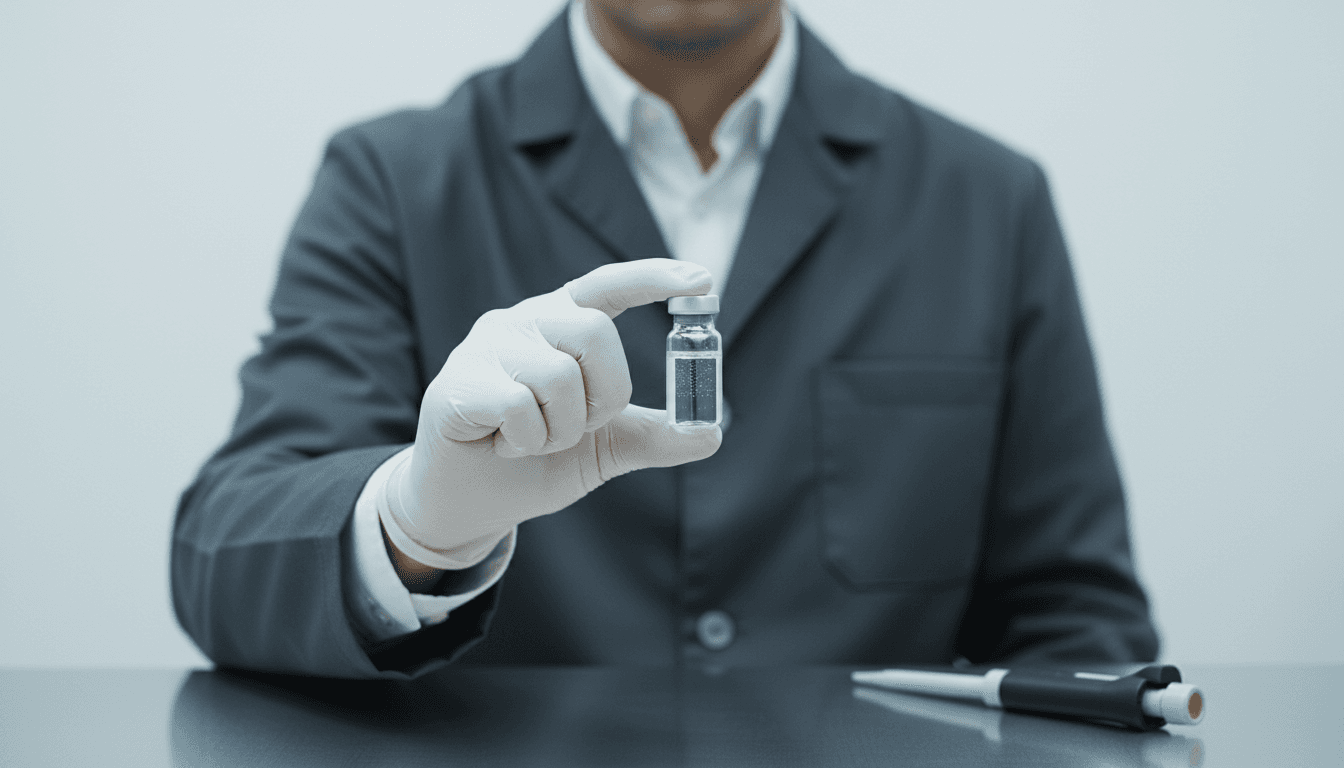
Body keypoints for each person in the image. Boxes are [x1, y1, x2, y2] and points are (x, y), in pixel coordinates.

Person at [172, 0, 1159, 678]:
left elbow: (1080, 624)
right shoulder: (391, 182)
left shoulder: (987, 202)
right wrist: (418, 527)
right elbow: (225, 551)